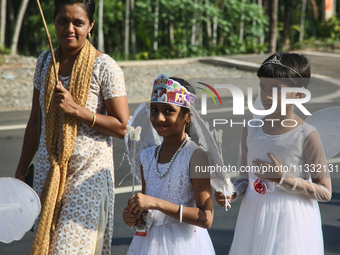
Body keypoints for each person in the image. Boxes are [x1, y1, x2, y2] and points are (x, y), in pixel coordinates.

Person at [14, 0, 129, 254]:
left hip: (87, 177)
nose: (70, 28)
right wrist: (21, 169)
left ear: (91, 26)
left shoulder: (105, 66)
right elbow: (35, 121)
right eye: (62, 21)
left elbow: (122, 126)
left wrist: (78, 111)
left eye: (78, 22)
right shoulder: (45, 63)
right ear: (53, 22)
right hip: (49, 173)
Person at [215, 52, 332, 255]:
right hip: (254, 215)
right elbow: (244, 178)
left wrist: (284, 179)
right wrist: (232, 192)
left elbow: (325, 191)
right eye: (263, 87)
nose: (267, 95)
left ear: (298, 93)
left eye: (277, 89)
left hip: (292, 220)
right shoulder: (250, 130)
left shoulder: (306, 135)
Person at [122, 74, 216, 255]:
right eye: (154, 109)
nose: (159, 118)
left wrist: (156, 203)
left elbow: (206, 218)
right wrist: (133, 216)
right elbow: (147, 207)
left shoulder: (195, 156)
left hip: (184, 244)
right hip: (148, 245)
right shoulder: (147, 156)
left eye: (168, 111)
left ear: (187, 116)